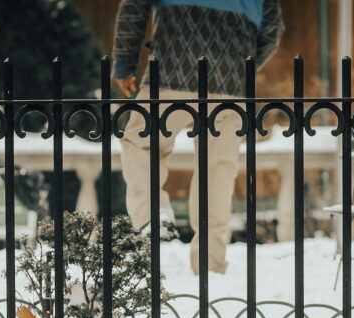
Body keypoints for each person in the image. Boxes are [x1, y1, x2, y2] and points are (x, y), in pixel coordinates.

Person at [113, 0, 285, 274]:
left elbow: (135, 6)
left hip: (171, 71)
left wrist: (125, 63)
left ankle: (151, 217)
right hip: (230, 82)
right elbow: (271, 29)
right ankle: (210, 266)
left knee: (140, 143)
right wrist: (241, 65)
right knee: (217, 171)